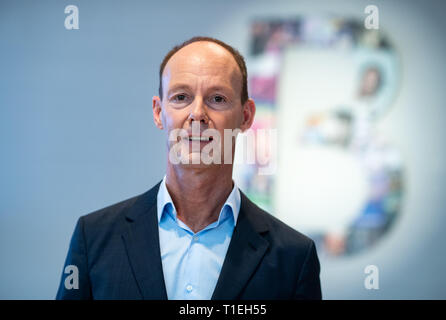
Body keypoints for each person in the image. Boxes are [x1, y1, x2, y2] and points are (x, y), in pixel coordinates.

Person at [56, 36, 322, 300]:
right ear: (159, 112)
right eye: (181, 97)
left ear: (246, 116)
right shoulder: (94, 239)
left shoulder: (294, 257)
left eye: (217, 98)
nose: (197, 113)